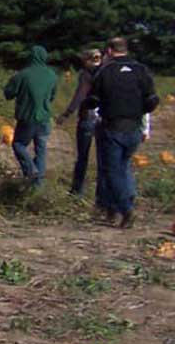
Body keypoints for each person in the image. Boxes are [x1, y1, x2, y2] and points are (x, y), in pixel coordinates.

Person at [88, 37, 159, 228]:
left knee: (112, 171)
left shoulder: (105, 71)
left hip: (113, 126)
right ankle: (114, 206)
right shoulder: (141, 70)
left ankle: (126, 209)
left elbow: (93, 100)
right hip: (134, 126)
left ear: (110, 51)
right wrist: (139, 111)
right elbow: (152, 100)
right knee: (123, 166)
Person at [3, 45, 58, 186]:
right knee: (41, 150)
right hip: (45, 119)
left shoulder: (22, 75)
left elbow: (8, 94)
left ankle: (31, 169)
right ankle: (38, 185)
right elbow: (52, 96)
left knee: (19, 145)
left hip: (27, 118)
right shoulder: (52, 75)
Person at [56, 48, 102, 196]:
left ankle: (77, 190)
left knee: (83, 156)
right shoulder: (108, 72)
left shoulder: (86, 74)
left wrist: (67, 113)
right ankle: (102, 191)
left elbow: (80, 95)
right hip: (106, 118)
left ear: (87, 60)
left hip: (88, 116)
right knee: (104, 156)